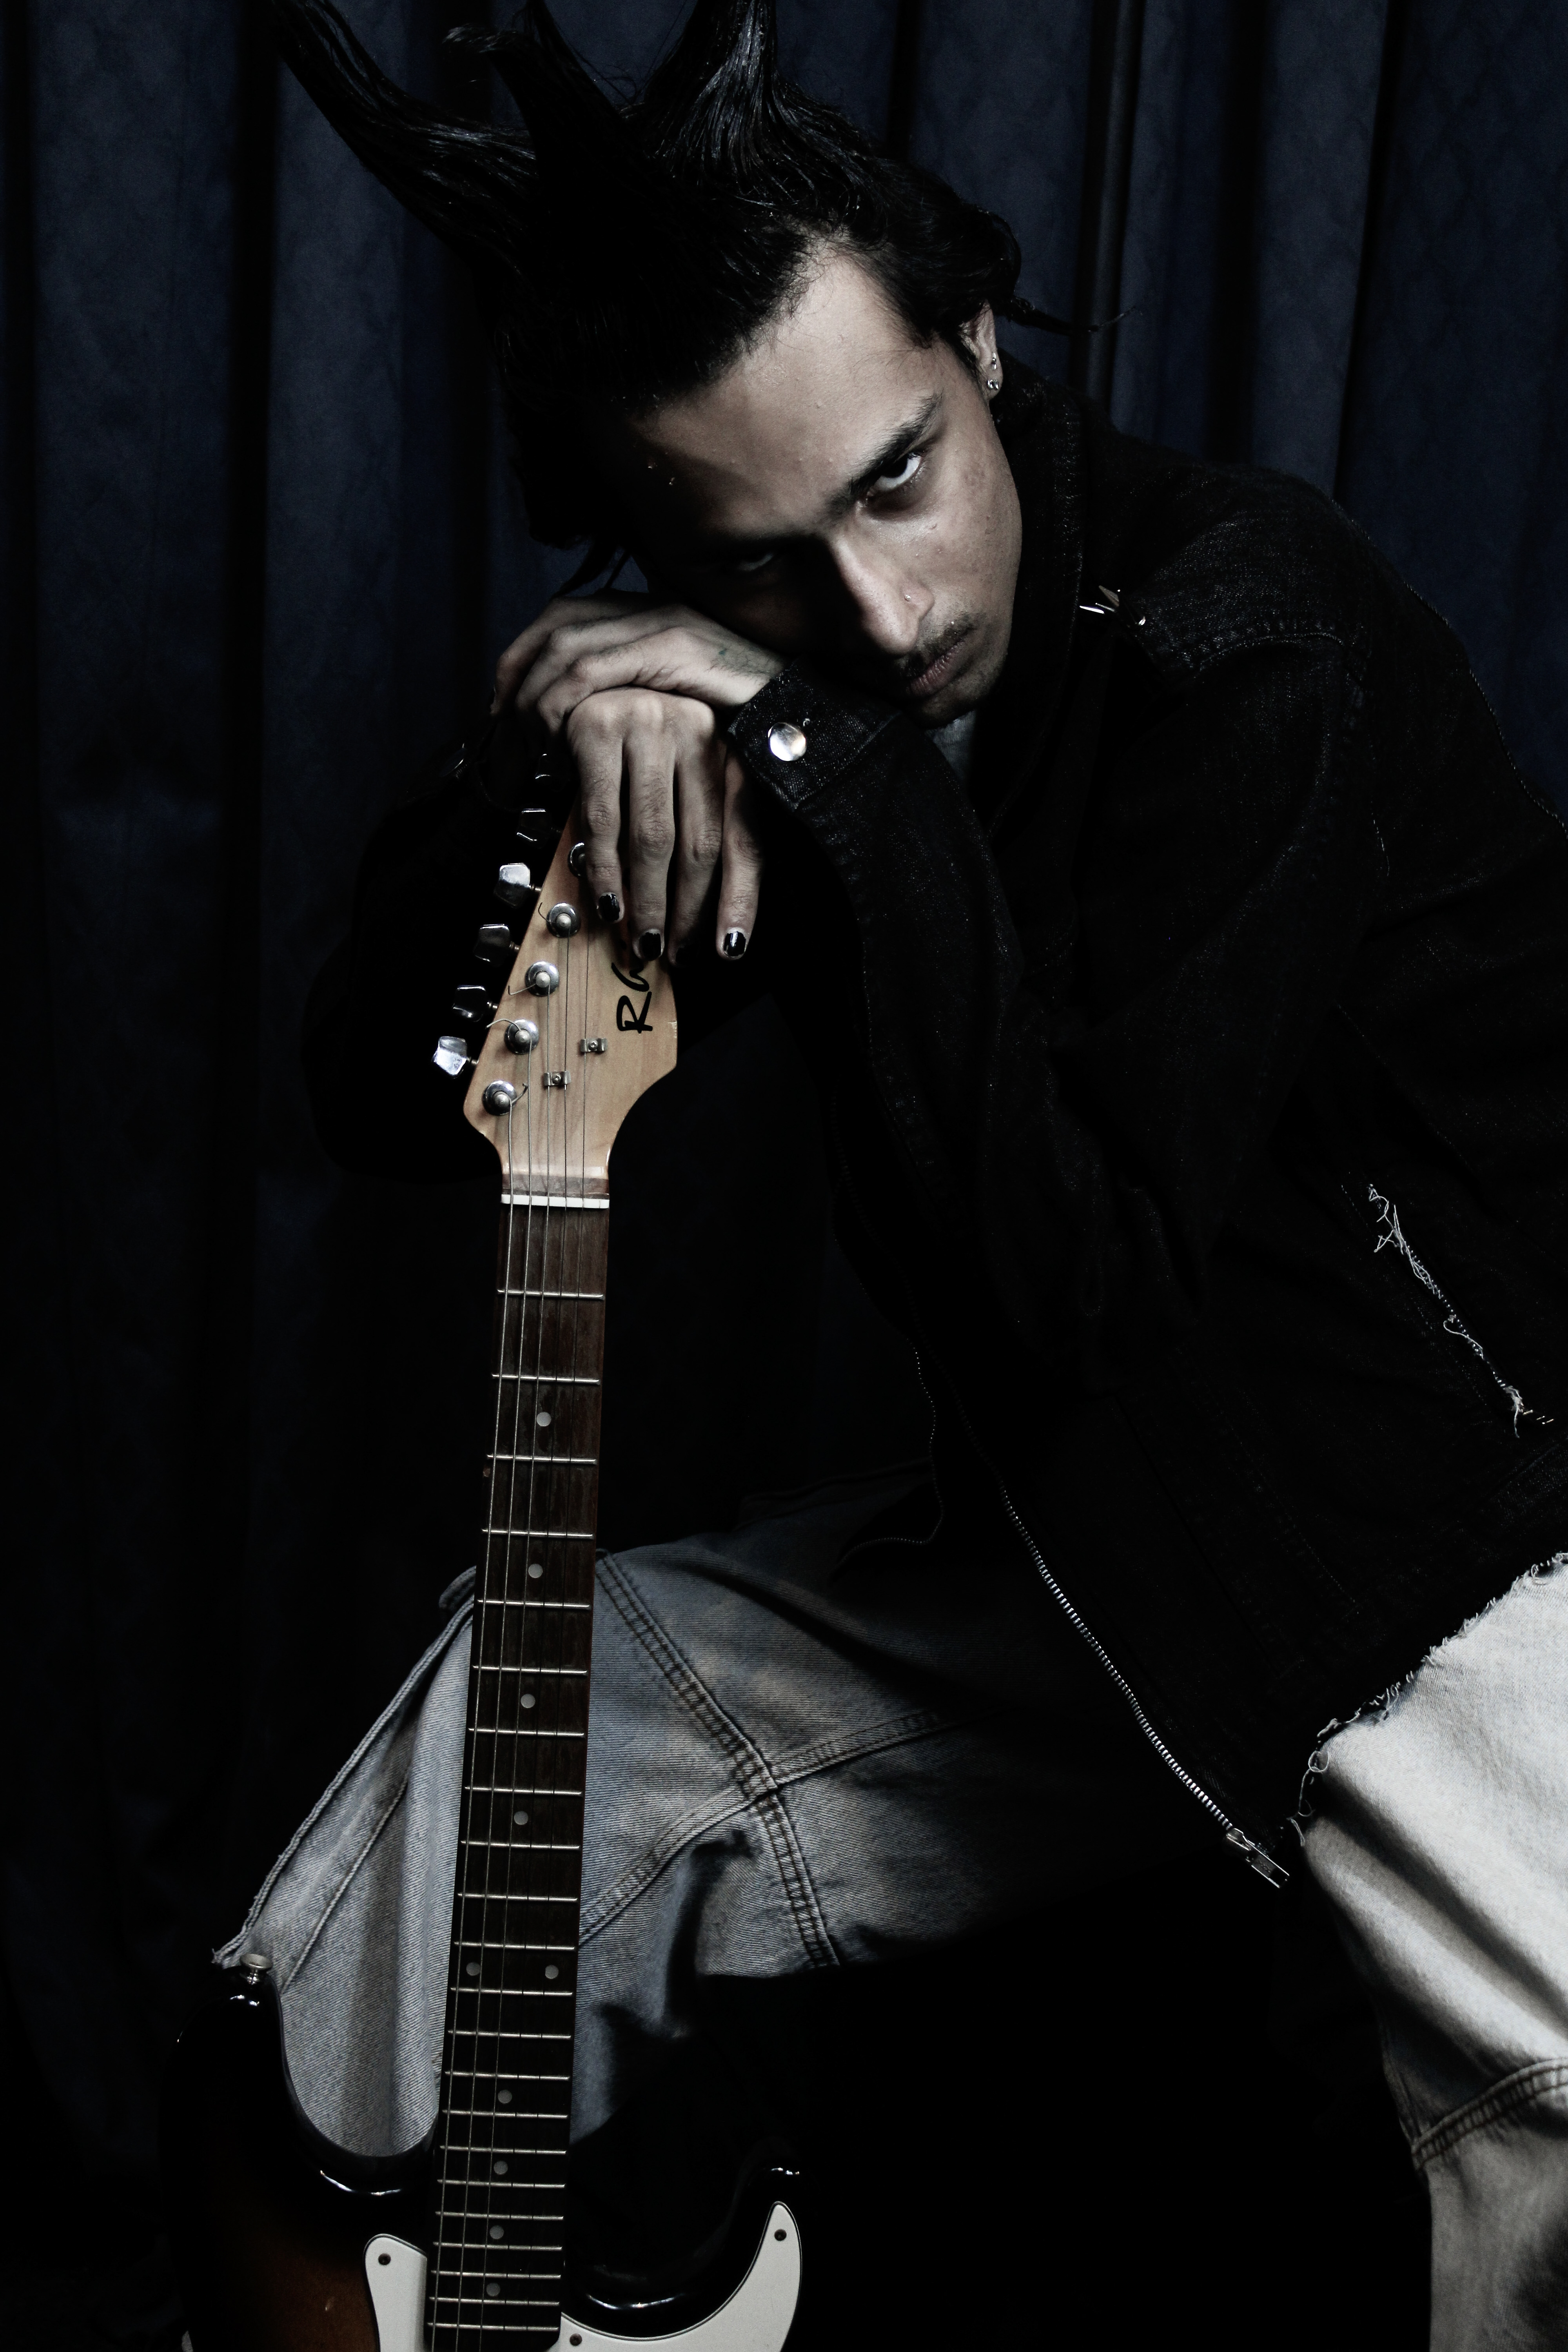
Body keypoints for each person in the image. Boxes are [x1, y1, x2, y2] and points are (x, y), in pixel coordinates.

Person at [256, 0, 1568, 2340]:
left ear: (976, 340)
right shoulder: (779, 693)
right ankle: (322, 2290)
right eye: (756, 565)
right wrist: (551, 740)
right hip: (1092, 1554)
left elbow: (1084, 1276)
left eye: (899, 481)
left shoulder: (1244, 637)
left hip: (1450, 1553)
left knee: (1554, 2162)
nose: (880, 613)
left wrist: (818, 763)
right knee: (544, 1729)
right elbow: (376, 1099)